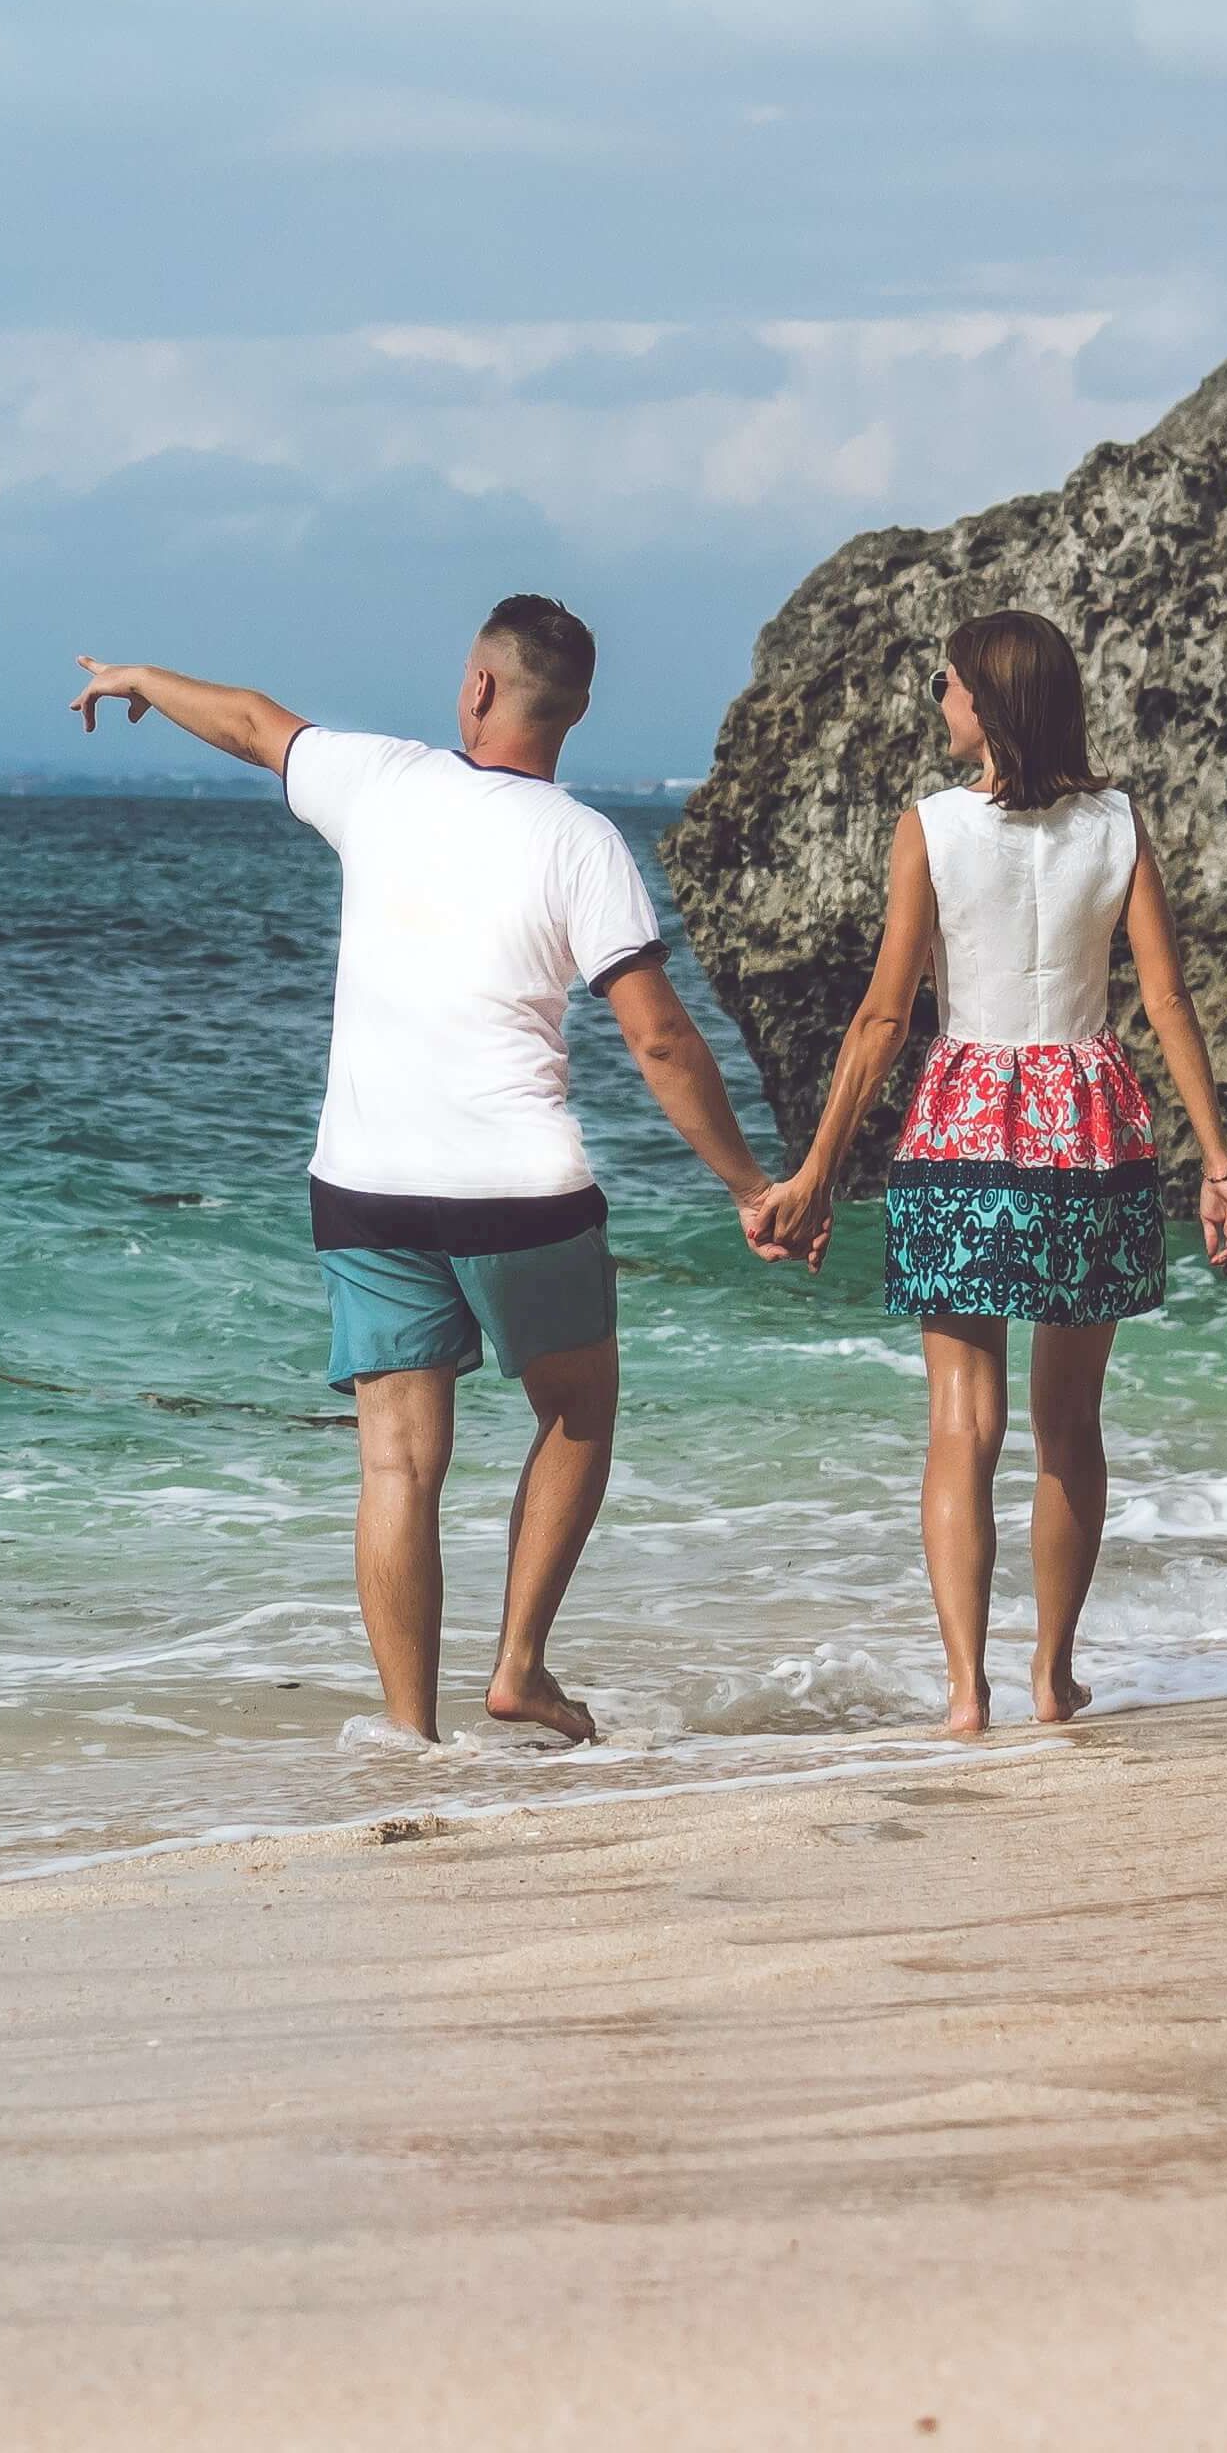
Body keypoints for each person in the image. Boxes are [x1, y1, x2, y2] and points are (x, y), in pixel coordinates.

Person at [73, 595, 788, 1750]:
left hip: (364, 1185)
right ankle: (517, 1667)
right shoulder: (583, 843)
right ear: (577, 711)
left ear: (477, 687)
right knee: (577, 1407)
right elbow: (659, 1036)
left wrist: (140, 677)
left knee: (399, 1463)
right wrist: (750, 1184)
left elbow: (253, 723)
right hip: (518, 1192)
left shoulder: (383, 780)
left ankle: (409, 1734)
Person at [751, 612, 1227, 1735]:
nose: (937, 697)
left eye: (946, 681)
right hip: (1086, 1124)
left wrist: (818, 1169)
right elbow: (1164, 999)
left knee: (958, 1424)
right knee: (1069, 1424)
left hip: (963, 1121)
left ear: (985, 700)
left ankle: (965, 1689)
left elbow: (885, 1015)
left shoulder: (928, 827)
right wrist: (1217, 1162)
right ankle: (1052, 1677)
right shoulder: (1117, 825)